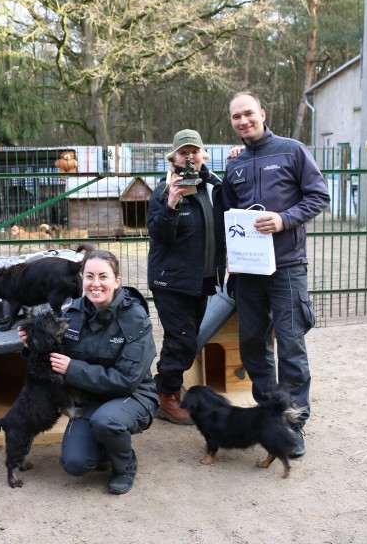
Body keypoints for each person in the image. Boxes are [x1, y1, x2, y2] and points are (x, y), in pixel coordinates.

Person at [221, 91, 330, 458]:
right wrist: (230, 259)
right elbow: (228, 216)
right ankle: (270, 413)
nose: (243, 121)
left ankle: (293, 424)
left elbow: (318, 196)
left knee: (291, 347)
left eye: (248, 114)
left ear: (262, 114)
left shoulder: (292, 151)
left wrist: (284, 219)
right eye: (236, 117)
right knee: (252, 345)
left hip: (286, 268)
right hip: (248, 273)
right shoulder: (233, 165)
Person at [17, 249, 158, 494]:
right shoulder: (73, 312)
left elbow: (126, 380)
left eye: (103, 277)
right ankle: (103, 448)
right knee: (75, 463)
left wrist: (73, 369)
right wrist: (33, 346)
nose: (95, 284)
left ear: (117, 281)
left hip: (132, 395)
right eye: (89, 276)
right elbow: (54, 356)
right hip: (90, 397)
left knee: (107, 422)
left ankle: (125, 465)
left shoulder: (135, 318)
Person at [147, 129, 225, 424]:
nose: (189, 157)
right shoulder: (164, 190)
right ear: (174, 158)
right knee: (182, 340)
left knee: (185, 338)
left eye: (195, 151)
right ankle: (166, 397)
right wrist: (171, 204)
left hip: (202, 279)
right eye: (183, 152)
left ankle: (163, 387)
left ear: (203, 155)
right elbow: (158, 235)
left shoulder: (212, 187)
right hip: (172, 281)